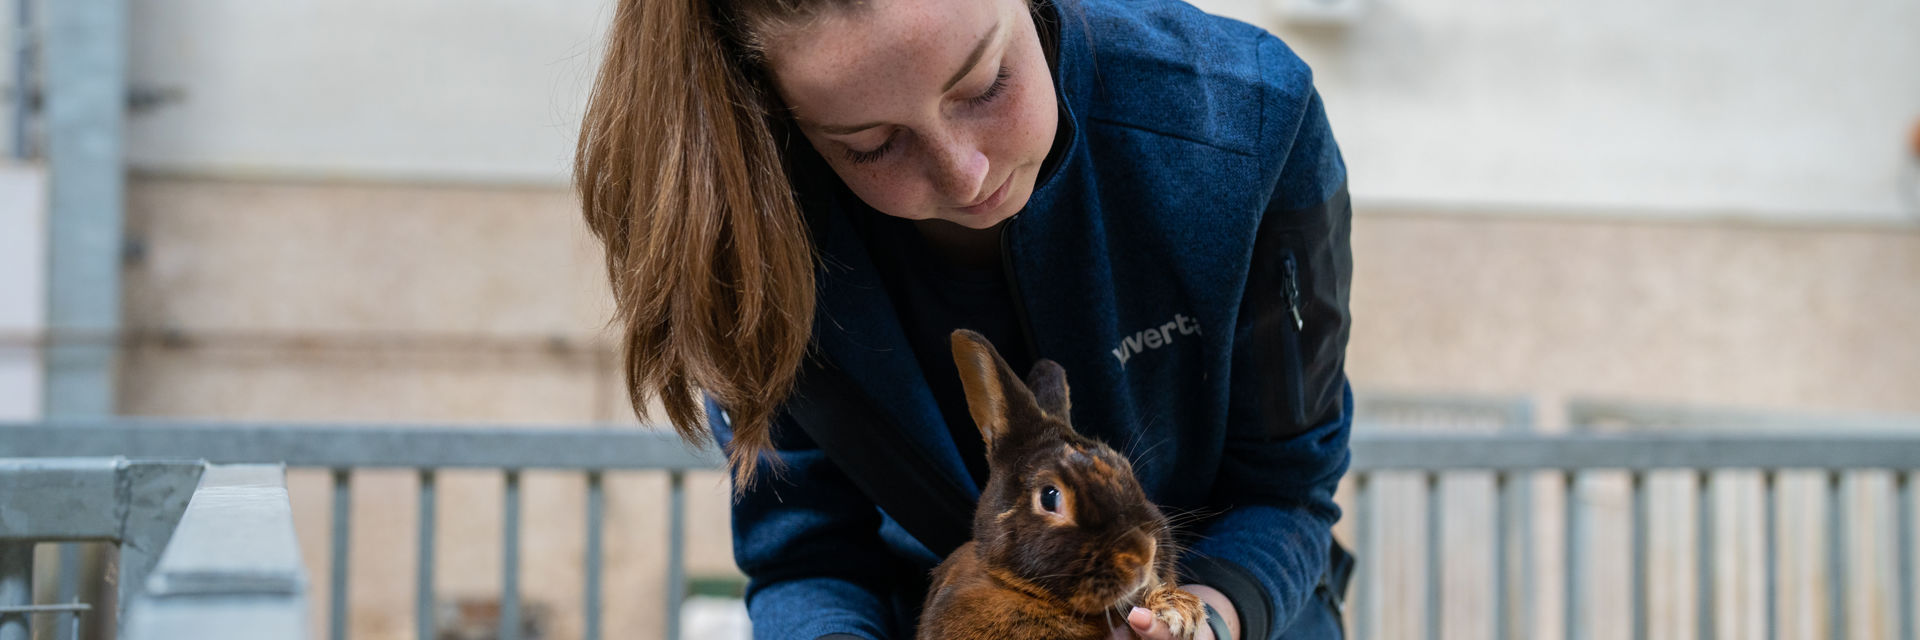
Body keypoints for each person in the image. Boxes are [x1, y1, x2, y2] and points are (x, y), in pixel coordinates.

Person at [573, 0, 1354, 637]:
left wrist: (1203, 622)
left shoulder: (1248, 118)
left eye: (985, 84)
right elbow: (809, 556)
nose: (965, 173)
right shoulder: (751, 226)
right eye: (873, 146)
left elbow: (1285, 492)